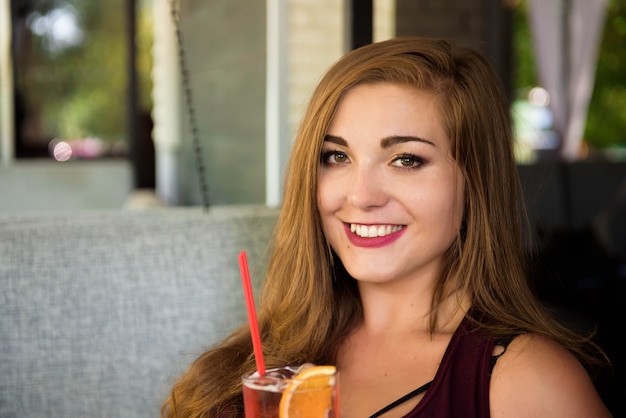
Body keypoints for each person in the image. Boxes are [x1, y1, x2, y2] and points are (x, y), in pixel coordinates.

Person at [162, 36, 612, 417]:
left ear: (474, 182)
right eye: (336, 157)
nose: (361, 196)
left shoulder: (529, 383)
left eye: (406, 159)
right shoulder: (257, 365)